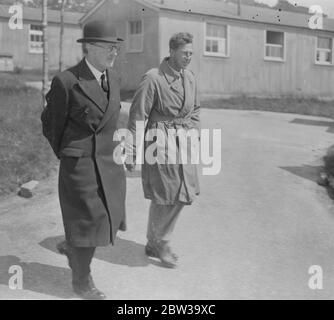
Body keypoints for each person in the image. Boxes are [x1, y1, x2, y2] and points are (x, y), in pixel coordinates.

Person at [41, 20, 126, 300]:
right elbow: (51, 124)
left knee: (103, 220)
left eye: (115, 47)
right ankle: (82, 280)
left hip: (108, 163)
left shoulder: (113, 78)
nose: (113, 53)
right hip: (80, 166)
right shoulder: (66, 81)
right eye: (107, 47)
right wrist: (69, 154)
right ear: (88, 48)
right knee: (87, 221)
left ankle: (72, 248)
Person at [125, 32, 200, 268]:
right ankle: (162, 242)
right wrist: (131, 150)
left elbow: (196, 109)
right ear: (172, 52)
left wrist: (194, 133)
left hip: (183, 141)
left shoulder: (189, 77)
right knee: (166, 194)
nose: (188, 57)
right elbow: (138, 115)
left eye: (191, 53)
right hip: (160, 141)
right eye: (184, 53)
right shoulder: (153, 78)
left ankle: (153, 241)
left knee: (182, 193)